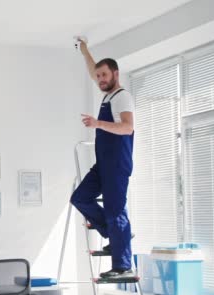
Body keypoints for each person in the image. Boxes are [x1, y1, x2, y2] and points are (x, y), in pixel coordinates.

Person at [70, 38, 136, 279]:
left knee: (115, 210)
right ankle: (114, 234)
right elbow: (92, 68)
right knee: (80, 197)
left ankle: (122, 265)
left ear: (115, 74)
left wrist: (97, 123)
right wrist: (84, 50)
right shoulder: (108, 96)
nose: (100, 79)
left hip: (117, 164)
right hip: (103, 164)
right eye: (98, 76)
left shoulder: (121, 97)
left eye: (104, 75)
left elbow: (127, 127)